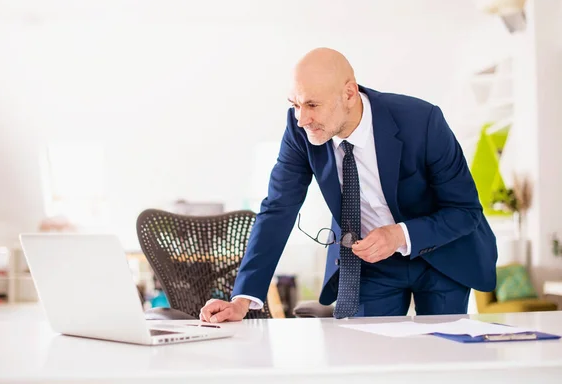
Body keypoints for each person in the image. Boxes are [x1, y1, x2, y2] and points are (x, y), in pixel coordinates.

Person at [200, 48, 497, 322]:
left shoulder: (421, 121)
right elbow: (278, 207)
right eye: (295, 105)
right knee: (364, 352)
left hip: (440, 253)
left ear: (349, 93)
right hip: (368, 263)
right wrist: (241, 299)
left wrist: (399, 235)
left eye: (312, 105)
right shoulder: (300, 129)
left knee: (441, 354)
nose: (302, 118)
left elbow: (464, 210)